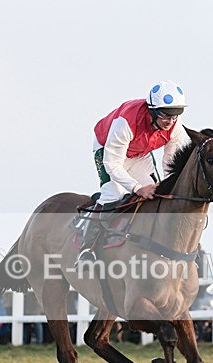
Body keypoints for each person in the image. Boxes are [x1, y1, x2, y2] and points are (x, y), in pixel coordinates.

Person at [77, 81, 190, 262]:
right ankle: (87, 249)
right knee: (112, 195)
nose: (171, 121)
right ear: (152, 111)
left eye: (176, 115)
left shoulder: (175, 127)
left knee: (156, 195)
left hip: (139, 154)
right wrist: (137, 188)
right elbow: (112, 164)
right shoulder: (127, 121)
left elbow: (170, 164)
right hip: (108, 150)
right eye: (165, 116)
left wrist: (169, 188)